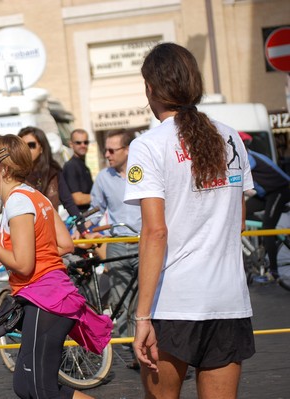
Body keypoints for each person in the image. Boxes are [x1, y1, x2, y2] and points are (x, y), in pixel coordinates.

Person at [124, 42, 255, 398]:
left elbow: (155, 232)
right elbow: (238, 223)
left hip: (174, 302)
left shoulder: (148, 145)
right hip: (228, 299)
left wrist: (142, 317)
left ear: (151, 88)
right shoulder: (231, 138)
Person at [0, 134, 112, 399]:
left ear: (3, 168)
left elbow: (25, 266)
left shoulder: (18, 201)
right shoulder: (33, 196)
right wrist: (7, 253)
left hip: (45, 300)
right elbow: (64, 244)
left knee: (39, 389)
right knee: (25, 386)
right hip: (49, 298)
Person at [90, 129, 141, 338]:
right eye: (105, 150)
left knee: (144, 296)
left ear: (127, 150)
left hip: (143, 242)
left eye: (112, 150)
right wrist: (83, 230)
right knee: (121, 298)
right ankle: (128, 344)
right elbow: (96, 209)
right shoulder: (103, 177)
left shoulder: (143, 172)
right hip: (117, 243)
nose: (107, 155)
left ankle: (144, 342)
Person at [239, 131, 290, 280]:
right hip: (265, 194)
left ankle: (273, 272)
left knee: (268, 227)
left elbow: (239, 178)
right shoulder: (245, 156)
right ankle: (269, 238)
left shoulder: (249, 158)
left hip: (280, 191)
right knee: (244, 214)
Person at [17, 126, 62, 209]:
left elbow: (65, 201)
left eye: (31, 145)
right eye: (23, 146)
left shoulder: (52, 172)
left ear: (41, 148)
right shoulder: (16, 172)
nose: (27, 150)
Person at [62, 129, 94, 214]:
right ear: (71, 144)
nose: (83, 145)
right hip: (80, 218)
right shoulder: (71, 166)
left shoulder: (84, 166)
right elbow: (78, 199)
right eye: (78, 143)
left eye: (85, 142)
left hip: (89, 216)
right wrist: (102, 196)